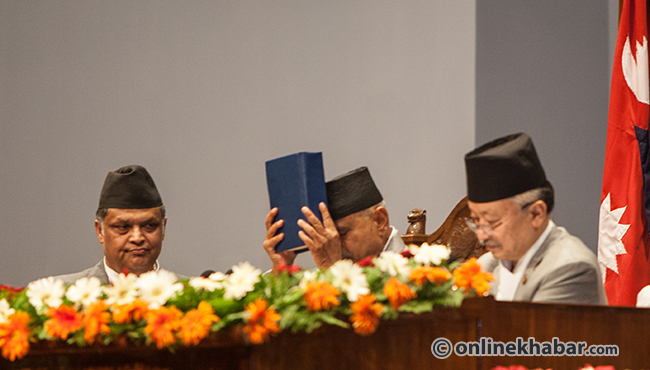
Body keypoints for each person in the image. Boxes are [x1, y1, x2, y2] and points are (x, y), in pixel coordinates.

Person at [466, 133, 607, 305]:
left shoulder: (570, 268)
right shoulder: (486, 265)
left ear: (536, 214)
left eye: (492, 222)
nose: (481, 235)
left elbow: (534, 332)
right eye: (476, 221)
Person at [51, 165, 181, 284]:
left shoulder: (195, 295)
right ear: (100, 231)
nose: (137, 238)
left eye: (149, 226)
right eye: (123, 227)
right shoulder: (59, 295)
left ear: (163, 228)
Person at [263, 166, 406, 272]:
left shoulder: (417, 270)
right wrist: (280, 269)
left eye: (342, 234)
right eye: (326, 235)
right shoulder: (324, 272)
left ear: (380, 220)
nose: (332, 244)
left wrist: (332, 268)